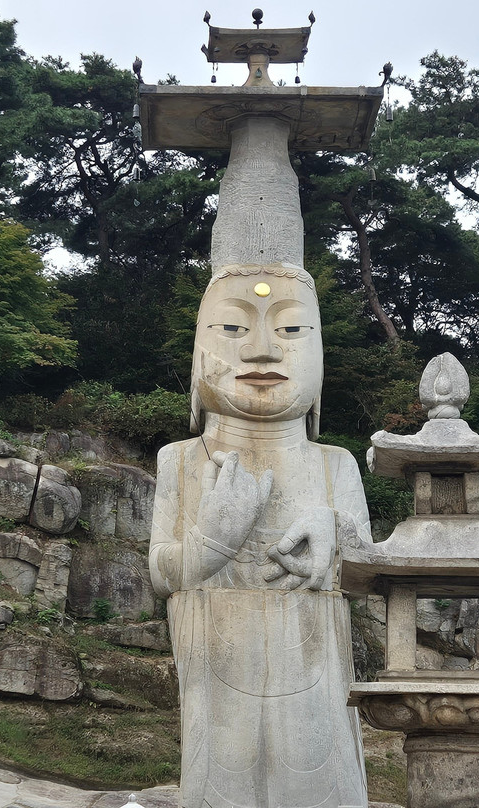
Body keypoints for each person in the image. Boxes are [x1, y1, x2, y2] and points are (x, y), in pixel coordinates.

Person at [149, 264, 370, 808]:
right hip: (215, 657)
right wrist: (212, 541)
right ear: (199, 351)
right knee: (219, 778)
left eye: (293, 330)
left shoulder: (334, 465)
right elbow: (160, 570)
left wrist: (334, 531)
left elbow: (370, 570)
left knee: (319, 776)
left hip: (313, 658)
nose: (263, 351)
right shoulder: (180, 459)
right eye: (232, 329)